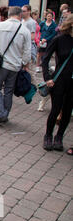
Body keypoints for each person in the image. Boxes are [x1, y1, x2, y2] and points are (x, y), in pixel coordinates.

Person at [0, 6, 32, 126]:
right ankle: (5, 114)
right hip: (15, 66)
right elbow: (27, 51)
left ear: (9, 14)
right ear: (19, 15)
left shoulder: (0, 26)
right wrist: (24, 63)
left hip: (0, 64)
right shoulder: (24, 30)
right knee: (8, 91)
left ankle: (1, 113)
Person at [41, 14, 73, 152]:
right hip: (59, 80)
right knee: (55, 109)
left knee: (67, 111)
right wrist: (47, 77)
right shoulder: (59, 39)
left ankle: (59, 137)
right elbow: (45, 58)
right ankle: (48, 136)